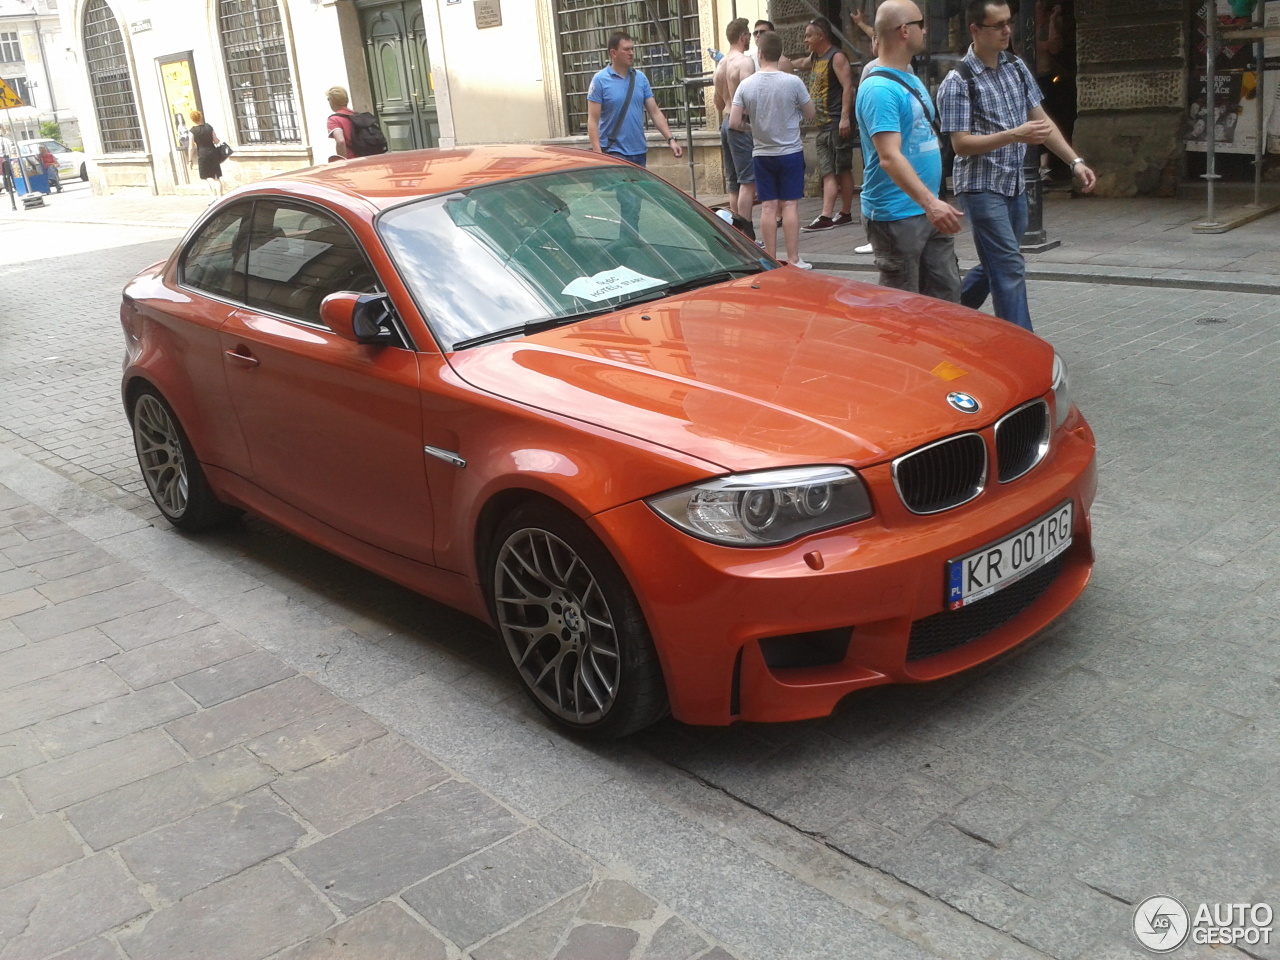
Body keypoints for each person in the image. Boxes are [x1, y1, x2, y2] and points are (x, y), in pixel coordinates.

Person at [938, 0, 1095, 331]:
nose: (1007, 30)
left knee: (998, 262)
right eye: (998, 25)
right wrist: (1014, 135)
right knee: (1009, 266)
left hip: (1014, 184)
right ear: (975, 30)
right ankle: (1022, 345)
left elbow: (1042, 123)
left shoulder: (1015, 66)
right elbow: (961, 145)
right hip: (981, 187)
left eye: (1009, 22)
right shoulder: (958, 80)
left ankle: (947, 318)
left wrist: (1075, 161)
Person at [855, 0, 964, 300]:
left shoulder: (909, 76)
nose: (925, 30)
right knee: (901, 309)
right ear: (904, 30)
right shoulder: (879, 90)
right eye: (920, 24)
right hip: (897, 215)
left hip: (928, 210)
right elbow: (889, 156)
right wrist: (932, 203)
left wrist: (933, 204)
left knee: (947, 298)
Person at [731, 30, 816, 268]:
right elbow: (810, 113)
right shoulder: (793, 82)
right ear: (780, 55)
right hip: (790, 152)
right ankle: (793, 258)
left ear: (760, 53)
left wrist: (754, 128)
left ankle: (770, 257)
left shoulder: (746, 85)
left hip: (762, 153)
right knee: (790, 204)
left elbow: (734, 122)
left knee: (768, 206)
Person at [792, 17, 856, 232]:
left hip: (837, 122)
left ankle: (840, 213)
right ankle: (829, 215)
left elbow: (848, 87)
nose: (805, 39)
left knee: (842, 169)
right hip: (823, 126)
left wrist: (845, 118)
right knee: (829, 171)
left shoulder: (836, 57)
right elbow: (800, 63)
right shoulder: (815, 58)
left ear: (821, 35)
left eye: (809, 35)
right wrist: (777, 62)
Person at [587, 32, 683, 167]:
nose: (631, 53)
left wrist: (671, 140)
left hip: (638, 151)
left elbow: (654, 112)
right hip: (614, 152)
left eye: (632, 49)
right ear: (613, 53)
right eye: (626, 49)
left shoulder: (641, 78)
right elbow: (593, 120)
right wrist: (598, 153)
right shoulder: (600, 80)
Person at [714, 18, 756, 225]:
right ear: (743, 37)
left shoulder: (720, 65)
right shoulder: (745, 62)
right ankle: (747, 233)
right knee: (748, 181)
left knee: (734, 183)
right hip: (740, 124)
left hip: (725, 122)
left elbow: (719, 103)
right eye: (748, 35)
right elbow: (750, 98)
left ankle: (736, 231)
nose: (750, 39)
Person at [186, 109, 225, 198]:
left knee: (204, 178)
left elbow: (191, 147)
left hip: (203, 155)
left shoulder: (192, 131)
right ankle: (219, 196)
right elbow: (216, 140)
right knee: (216, 178)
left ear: (192, 119)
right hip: (213, 153)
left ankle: (212, 197)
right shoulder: (208, 127)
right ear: (201, 117)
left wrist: (190, 160)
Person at [326, 86, 357, 160]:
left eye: (328, 99)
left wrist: (343, 161)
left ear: (332, 101)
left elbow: (340, 141)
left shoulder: (334, 119)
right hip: (366, 158)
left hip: (351, 160)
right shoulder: (357, 115)